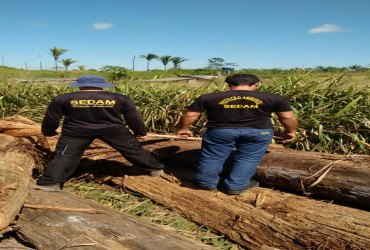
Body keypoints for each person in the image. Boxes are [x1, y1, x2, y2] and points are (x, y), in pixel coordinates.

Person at [31, 75, 164, 192]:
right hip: (114, 130)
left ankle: (50, 183)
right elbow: (133, 117)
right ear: (102, 86)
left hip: (76, 131)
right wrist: (140, 132)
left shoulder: (62, 99)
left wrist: (48, 131)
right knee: (133, 149)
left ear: (79, 86)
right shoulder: (120, 98)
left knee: (66, 155)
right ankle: (155, 169)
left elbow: (52, 118)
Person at [176, 73, 297, 195]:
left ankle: (205, 184)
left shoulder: (208, 97)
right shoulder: (274, 98)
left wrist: (183, 129)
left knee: (212, 157)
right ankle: (236, 186)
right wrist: (290, 131)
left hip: (220, 132)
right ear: (257, 84)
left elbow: (190, 115)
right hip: (259, 132)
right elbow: (287, 117)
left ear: (228, 85)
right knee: (248, 158)